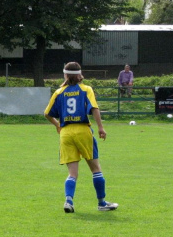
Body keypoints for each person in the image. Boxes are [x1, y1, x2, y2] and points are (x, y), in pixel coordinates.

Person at [44, 62, 118, 213]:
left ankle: (69, 201)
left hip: (65, 132)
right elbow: (94, 108)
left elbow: (47, 113)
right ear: (79, 74)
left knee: (72, 173)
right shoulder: (86, 89)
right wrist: (101, 128)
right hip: (83, 130)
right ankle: (102, 203)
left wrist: (57, 125)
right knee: (96, 169)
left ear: (65, 75)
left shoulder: (58, 92)